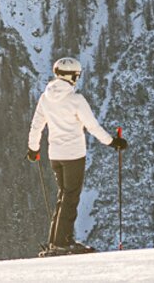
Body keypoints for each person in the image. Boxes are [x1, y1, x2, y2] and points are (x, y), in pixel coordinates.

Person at [27, 56, 127, 255]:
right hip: (73, 155)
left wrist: (33, 149)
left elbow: (37, 125)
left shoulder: (45, 97)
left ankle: (55, 241)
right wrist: (112, 142)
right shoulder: (75, 100)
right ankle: (64, 242)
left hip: (55, 155)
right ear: (71, 76)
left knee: (63, 196)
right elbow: (92, 126)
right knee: (70, 197)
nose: (77, 78)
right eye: (76, 75)